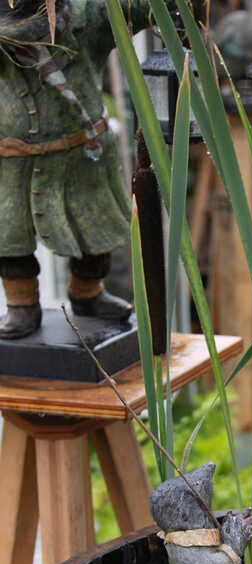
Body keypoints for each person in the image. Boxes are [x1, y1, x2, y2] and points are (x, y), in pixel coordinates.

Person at [0, 0, 148, 338]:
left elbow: (136, 9)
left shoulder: (88, 16)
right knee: (9, 241)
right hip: (11, 166)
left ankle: (88, 293)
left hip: (82, 158)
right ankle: (20, 304)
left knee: (97, 232)